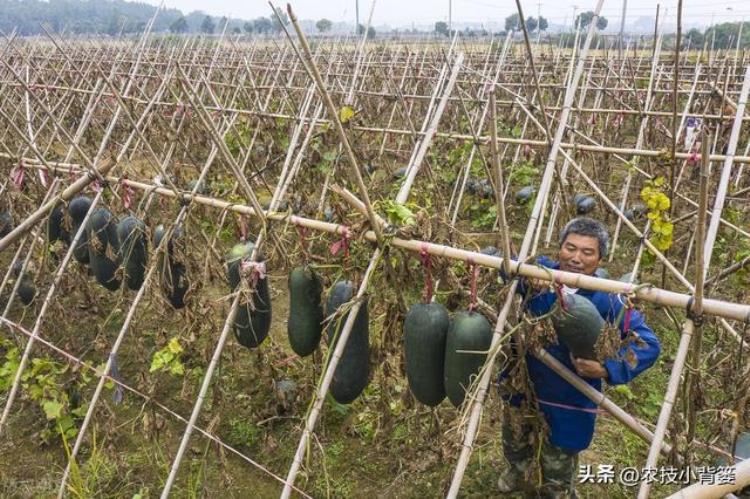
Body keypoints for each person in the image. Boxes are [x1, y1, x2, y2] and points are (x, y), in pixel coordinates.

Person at [497, 217, 661, 498]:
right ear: (559, 248)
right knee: (516, 438)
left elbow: (649, 344)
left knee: (558, 461)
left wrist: (608, 368)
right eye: (570, 248)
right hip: (523, 383)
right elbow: (505, 269)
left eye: (587, 252)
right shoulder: (540, 273)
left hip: (570, 396)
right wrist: (518, 269)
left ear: (600, 259)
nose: (576, 258)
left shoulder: (610, 298)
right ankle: (518, 470)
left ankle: (558, 490)